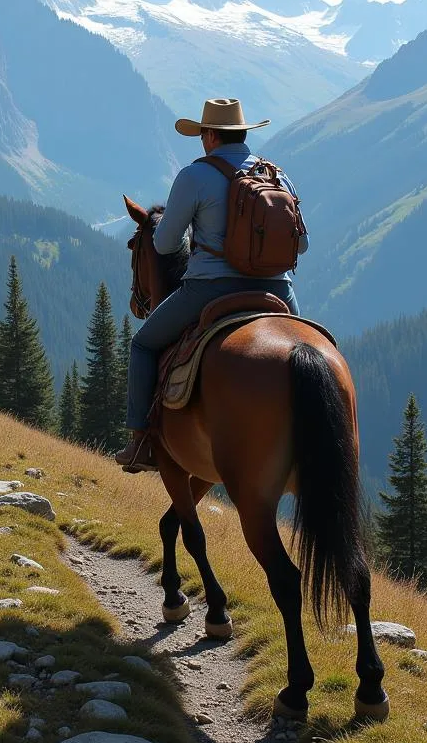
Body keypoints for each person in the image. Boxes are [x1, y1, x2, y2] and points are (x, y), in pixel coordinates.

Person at [114, 98, 309, 471]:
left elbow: (165, 244)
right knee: (308, 353)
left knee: (143, 345)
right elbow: (301, 244)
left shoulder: (194, 176)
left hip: (211, 289)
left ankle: (141, 442)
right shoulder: (276, 176)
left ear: (209, 137)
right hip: (279, 292)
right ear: (243, 133)